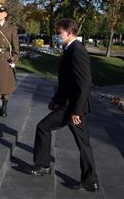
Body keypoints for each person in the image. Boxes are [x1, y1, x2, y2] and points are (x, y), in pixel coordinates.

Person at [30, 18, 99, 192]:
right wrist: (55, 99)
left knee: (43, 127)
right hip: (67, 104)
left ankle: (43, 165)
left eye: (59, 32)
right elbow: (67, 82)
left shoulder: (77, 51)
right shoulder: (69, 49)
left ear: (68, 32)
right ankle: (90, 180)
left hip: (72, 107)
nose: (56, 35)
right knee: (83, 143)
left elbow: (84, 83)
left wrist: (76, 111)